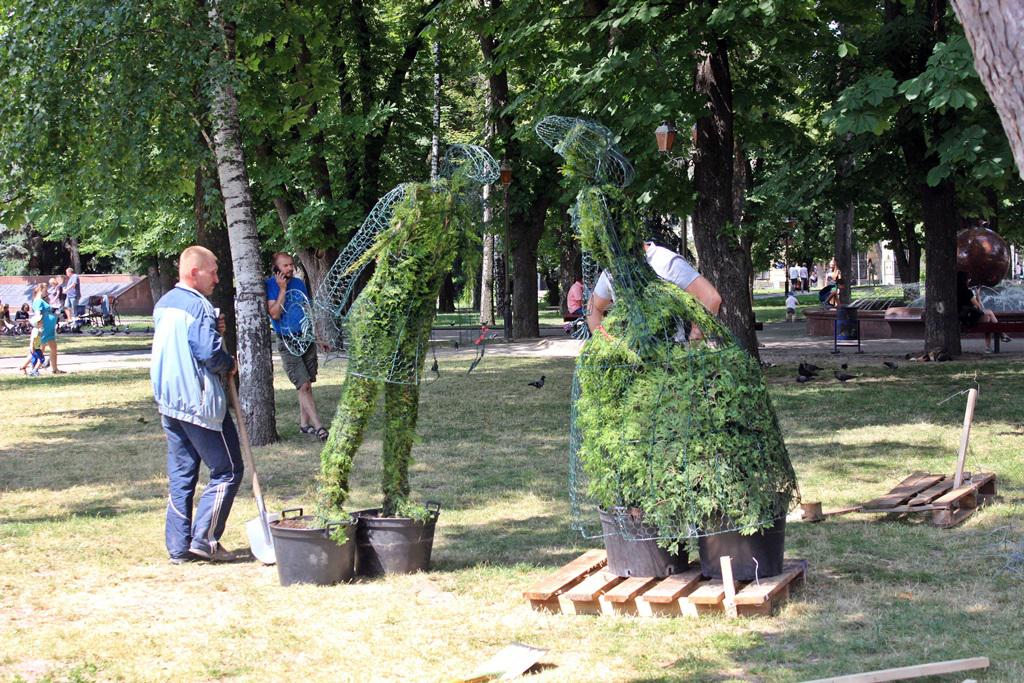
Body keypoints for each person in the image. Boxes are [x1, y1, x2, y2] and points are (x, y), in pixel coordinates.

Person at [151, 245, 242, 563]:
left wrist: (214, 331)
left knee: (182, 475)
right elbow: (209, 354)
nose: (217, 278)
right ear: (194, 272)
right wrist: (229, 362)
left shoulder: (165, 304)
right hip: (198, 402)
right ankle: (204, 539)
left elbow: (187, 341)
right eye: (212, 272)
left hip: (169, 402)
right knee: (228, 470)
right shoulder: (198, 306)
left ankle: (178, 548)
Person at [587, 241, 722, 340]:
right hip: (631, 359)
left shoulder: (664, 260)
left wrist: (695, 337)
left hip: (673, 360)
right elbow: (593, 307)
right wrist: (605, 342)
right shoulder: (612, 270)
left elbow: (711, 298)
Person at [266, 252, 327, 441]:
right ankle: (319, 426)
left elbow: (307, 311)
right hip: (287, 340)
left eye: (291, 264)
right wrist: (282, 289)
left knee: (307, 383)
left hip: (306, 338)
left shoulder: (299, 283)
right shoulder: (270, 285)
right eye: (285, 265)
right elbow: (275, 314)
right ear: (276, 268)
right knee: (303, 384)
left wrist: (318, 337)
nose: (290, 268)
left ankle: (304, 425)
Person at [956, 271, 1008, 353]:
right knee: (989, 313)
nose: (969, 280)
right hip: (969, 319)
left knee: (988, 318)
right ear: (964, 280)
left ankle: (990, 346)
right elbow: (979, 306)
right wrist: (977, 294)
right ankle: (1001, 334)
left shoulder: (955, 292)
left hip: (961, 319)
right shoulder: (968, 292)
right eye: (968, 279)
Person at [31, 283, 62, 373]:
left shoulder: (41, 300)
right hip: (43, 328)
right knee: (39, 348)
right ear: (41, 289)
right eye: (46, 290)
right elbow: (38, 313)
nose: (47, 292)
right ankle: (27, 367)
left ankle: (55, 369)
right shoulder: (38, 301)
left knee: (53, 347)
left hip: (49, 328)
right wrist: (39, 326)